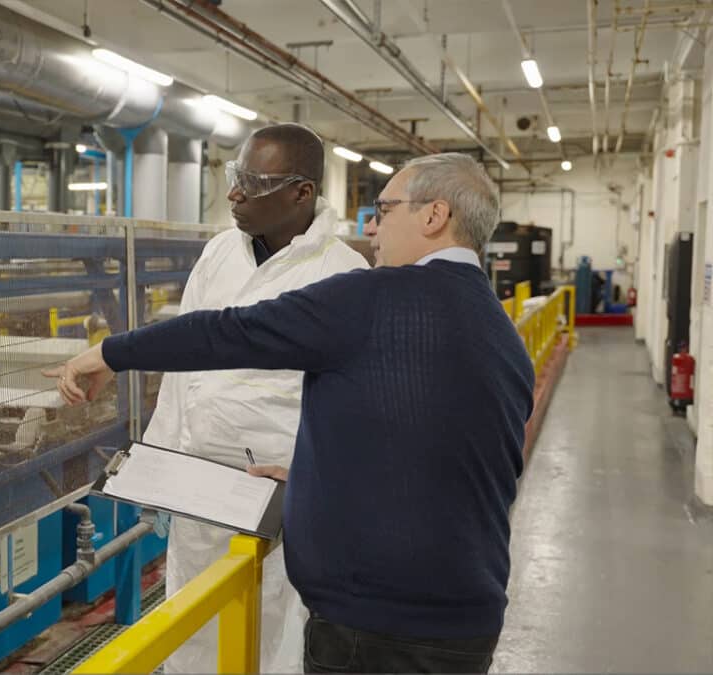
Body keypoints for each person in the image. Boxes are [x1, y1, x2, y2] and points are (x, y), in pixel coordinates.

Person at [47, 153, 534, 673]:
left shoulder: (371, 296)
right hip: (467, 621)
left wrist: (107, 353)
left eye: (384, 209)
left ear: (434, 216)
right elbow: (437, 454)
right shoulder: (500, 333)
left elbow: (228, 333)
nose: (372, 225)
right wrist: (317, 480)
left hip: (373, 627)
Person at [143, 123, 367, 674]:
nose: (234, 194)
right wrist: (158, 461)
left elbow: (352, 406)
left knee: (275, 633)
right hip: (199, 487)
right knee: (194, 626)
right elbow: (182, 366)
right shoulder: (220, 253)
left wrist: (327, 491)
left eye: (252, 182)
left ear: (301, 193)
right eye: (234, 176)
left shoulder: (342, 273)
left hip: (282, 499)